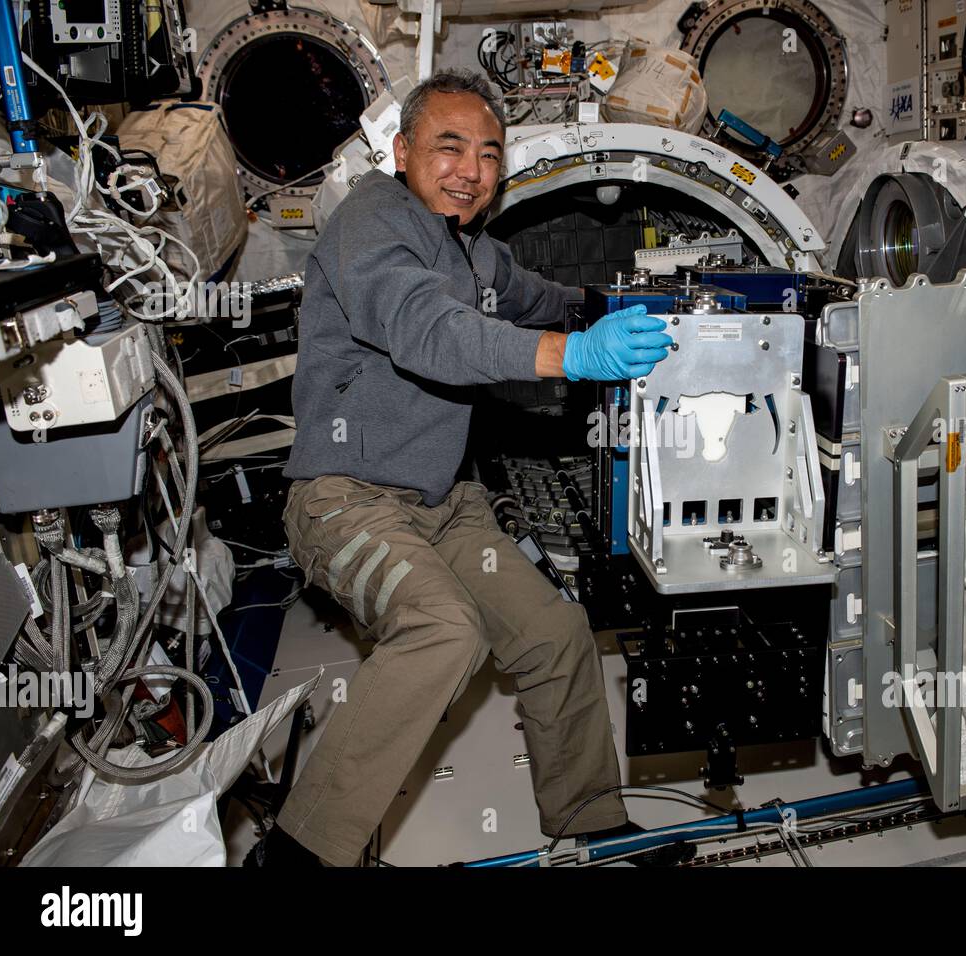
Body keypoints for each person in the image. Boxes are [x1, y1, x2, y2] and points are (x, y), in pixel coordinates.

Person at [247, 69, 675, 866]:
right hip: (345, 499)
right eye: (449, 147)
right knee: (443, 630)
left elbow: (541, 297)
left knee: (554, 633)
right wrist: (571, 355)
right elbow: (425, 329)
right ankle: (297, 853)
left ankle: (591, 823)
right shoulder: (372, 221)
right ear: (403, 152)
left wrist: (626, 305)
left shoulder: (474, 251)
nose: (471, 171)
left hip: (445, 505)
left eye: (488, 154)